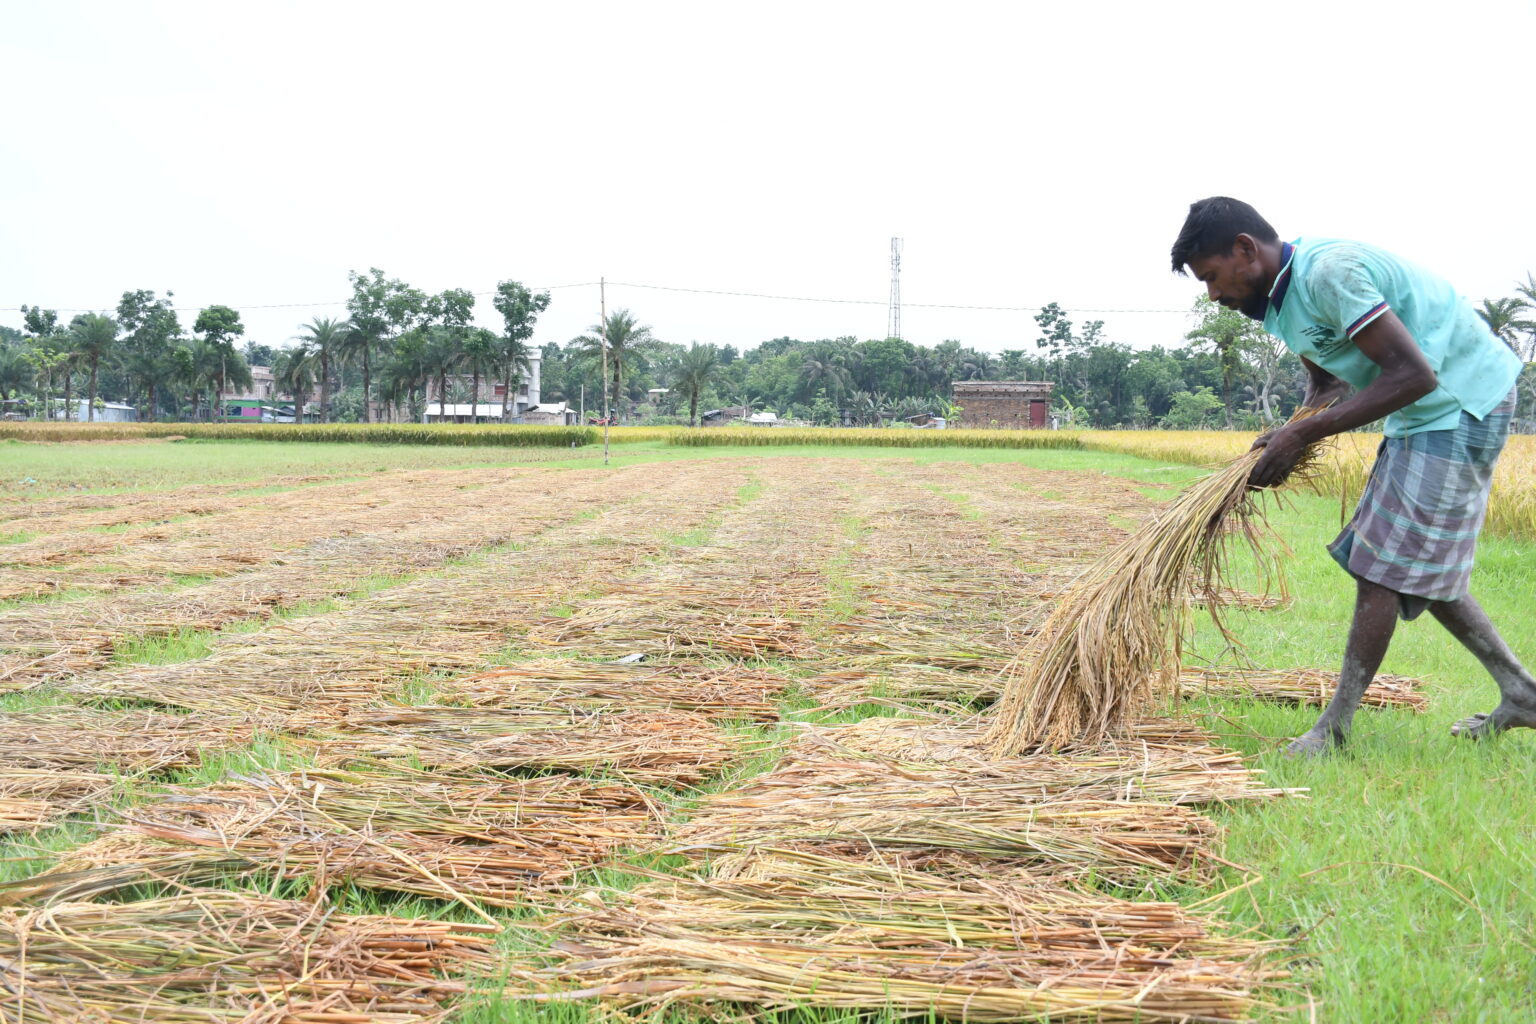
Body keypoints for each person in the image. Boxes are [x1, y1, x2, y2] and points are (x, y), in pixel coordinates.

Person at [1169, 196, 1536, 756]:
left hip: (1462, 401)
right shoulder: (1276, 303)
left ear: (1246, 249)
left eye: (1214, 277)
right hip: (1424, 412)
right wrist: (1288, 431)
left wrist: (1303, 437)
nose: (1214, 295)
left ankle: (1334, 729)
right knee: (1411, 560)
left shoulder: (1329, 273)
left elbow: (1414, 375)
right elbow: (1328, 386)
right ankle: (1522, 693)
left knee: (1383, 568)